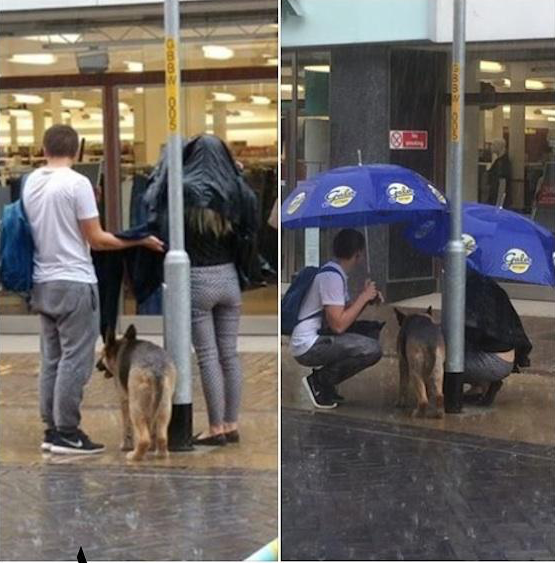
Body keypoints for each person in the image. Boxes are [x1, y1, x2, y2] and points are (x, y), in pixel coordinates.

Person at [24, 124, 164, 455]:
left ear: (45, 149)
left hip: (42, 281)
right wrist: (139, 239)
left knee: (52, 358)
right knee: (75, 359)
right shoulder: (77, 183)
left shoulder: (31, 183)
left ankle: (51, 428)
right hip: (74, 281)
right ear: (77, 152)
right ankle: (68, 432)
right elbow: (96, 239)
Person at [290, 228, 383, 409]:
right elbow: (338, 325)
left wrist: (366, 299)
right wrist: (363, 297)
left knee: (370, 334)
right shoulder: (331, 277)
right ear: (358, 254)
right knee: (371, 348)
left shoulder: (335, 273)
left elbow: (344, 314)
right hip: (309, 345)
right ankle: (319, 382)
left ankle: (325, 384)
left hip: (317, 339)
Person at [188, 206, 244, 446]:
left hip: (199, 279)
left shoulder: (188, 211)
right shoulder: (229, 208)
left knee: (208, 356)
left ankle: (215, 427)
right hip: (229, 279)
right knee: (229, 356)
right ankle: (231, 424)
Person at [463, 268, 532, 407]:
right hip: (508, 360)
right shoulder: (493, 288)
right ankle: (481, 386)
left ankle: (482, 383)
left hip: (491, 362)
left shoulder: (472, 291)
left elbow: (471, 333)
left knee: (441, 359)